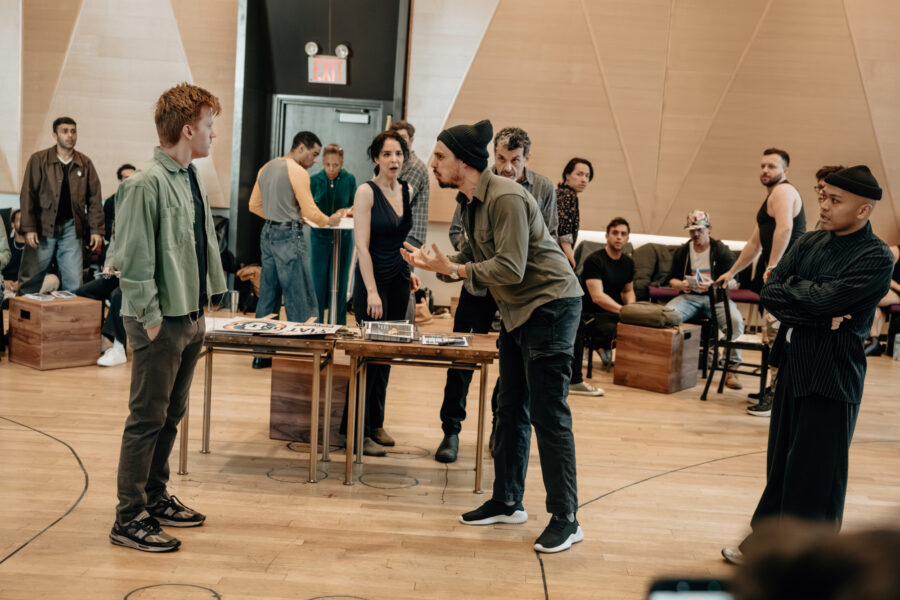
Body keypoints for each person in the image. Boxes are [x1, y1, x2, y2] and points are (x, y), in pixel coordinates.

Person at [402, 119, 585, 554]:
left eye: (440, 157)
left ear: (464, 162)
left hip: (552, 306)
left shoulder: (505, 196)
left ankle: (567, 518)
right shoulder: (470, 202)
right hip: (519, 312)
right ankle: (507, 501)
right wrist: (437, 263)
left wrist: (454, 268)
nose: (432, 164)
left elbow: (511, 267)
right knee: (509, 408)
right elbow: (474, 255)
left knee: (548, 414)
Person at [721, 165, 894, 567]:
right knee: (781, 466)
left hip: (833, 374)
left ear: (863, 210)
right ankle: (767, 547)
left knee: (817, 475)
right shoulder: (810, 241)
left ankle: (809, 562)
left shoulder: (875, 256)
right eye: (823, 197)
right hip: (794, 365)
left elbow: (821, 299)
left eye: (835, 200)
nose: (824, 206)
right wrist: (815, 308)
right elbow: (771, 290)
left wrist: (803, 297)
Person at [110, 83, 227, 553]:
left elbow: (199, 246)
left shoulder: (190, 178)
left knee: (171, 416)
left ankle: (154, 497)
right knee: (146, 418)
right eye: (209, 125)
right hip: (159, 321)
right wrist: (152, 320)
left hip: (190, 316)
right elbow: (133, 260)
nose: (213, 133)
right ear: (188, 130)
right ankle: (128, 516)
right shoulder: (143, 184)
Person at [434, 126, 561, 463]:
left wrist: (501, 253)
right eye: (501, 159)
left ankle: (499, 427)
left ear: (527, 158)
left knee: (512, 364)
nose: (507, 167)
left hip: (517, 291)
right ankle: (451, 430)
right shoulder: (477, 184)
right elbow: (459, 231)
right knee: (461, 359)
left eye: (515, 160)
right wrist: (474, 256)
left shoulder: (543, 188)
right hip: (478, 284)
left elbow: (546, 236)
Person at [339, 130, 420, 457]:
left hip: (399, 279)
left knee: (386, 356)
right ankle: (354, 431)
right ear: (376, 158)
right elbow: (362, 245)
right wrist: (371, 291)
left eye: (398, 153)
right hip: (372, 282)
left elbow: (401, 239)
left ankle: (375, 424)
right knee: (367, 358)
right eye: (387, 154)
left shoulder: (407, 189)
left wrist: (411, 269)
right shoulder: (365, 192)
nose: (394, 160)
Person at [716, 148, 806, 414]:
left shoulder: (783, 191)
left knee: (778, 337)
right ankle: (774, 389)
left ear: (785, 171)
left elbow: (786, 228)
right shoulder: (771, 196)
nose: (765, 170)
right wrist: (732, 272)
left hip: (787, 277)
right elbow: (754, 244)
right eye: (763, 166)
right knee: (772, 336)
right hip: (779, 277)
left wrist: (773, 269)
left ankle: (777, 398)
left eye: (772, 166)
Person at [248, 131, 341, 368]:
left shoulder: (266, 168)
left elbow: (254, 205)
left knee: (268, 295)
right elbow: (311, 212)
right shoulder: (298, 172)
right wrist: (329, 220)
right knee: (300, 295)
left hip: (267, 233)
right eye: (314, 154)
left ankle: (261, 355)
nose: (315, 160)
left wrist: (281, 216)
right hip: (289, 236)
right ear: (301, 148)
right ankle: (306, 355)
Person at [18, 116, 103, 293]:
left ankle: (70, 311)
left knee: (74, 280)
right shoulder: (39, 159)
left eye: (73, 131)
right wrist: (29, 228)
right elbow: (28, 194)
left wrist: (96, 230)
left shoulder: (85, 163)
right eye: (65, 131)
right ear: (55, 135)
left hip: (72, 227)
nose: (70, 135)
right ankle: (22, 307)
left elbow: (94, 198)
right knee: (31, 276)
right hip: (43, 226)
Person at [667, 210, 744, 389]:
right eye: (692, 230)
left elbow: (735, 283)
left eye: (699, 230)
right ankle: (669, 363)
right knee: (667, 316)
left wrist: (714, 284)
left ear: (709, 229)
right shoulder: (682, 252)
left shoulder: (721, 251)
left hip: (716, 299)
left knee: (735, 322)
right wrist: (681, 285)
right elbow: (672, 280)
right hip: (689, 297)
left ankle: (731, 368)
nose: (695, 234)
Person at [75, 164, 136, 367]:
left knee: (117, 296)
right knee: (84, 292)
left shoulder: (147, 212)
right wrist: (109, 266)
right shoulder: (119, 208)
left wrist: (127, 271)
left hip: (137, 276)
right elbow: (114, 245)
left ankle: (119, 347)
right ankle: (98, 337)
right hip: (119, 273)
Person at [569, 217, 634, 395]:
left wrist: (633, 311)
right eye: (615, 233)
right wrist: (624, 311)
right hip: (592, 313)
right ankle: (599, 346)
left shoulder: (628, 262)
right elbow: (597, 297)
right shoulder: (595, 260)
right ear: (607, 235)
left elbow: (628, 291)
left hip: (616, 312)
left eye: (623, 234)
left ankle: (631, 367)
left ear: (628, 238)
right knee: (614, 329)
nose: (619, 237)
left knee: (637, 328)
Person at [309, 144, 356, 325]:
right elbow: (309, 206)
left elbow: (354, 205)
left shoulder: (349, 180)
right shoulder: (314, 180)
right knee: (318, 282)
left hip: (343, 237)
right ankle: (317, 324)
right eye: (327, 164)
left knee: (340, 282)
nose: (331, 169)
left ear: (341, 163)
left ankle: (338, 324)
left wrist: (342, 212)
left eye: (335, 165)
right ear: (322, 162)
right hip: (319, 237)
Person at [2, 209, 60, 300]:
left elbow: (47, 270)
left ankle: (16, 298)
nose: (23, 223)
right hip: (7, 287)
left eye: (26, 221)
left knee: (53, 279)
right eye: (19, 220)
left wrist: (22, 284)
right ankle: (15, 298)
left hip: (31, 286)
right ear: (12, 224)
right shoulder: (6, 245)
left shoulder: (37, 245)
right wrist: (4, 282)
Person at [556, 158, 594, 269]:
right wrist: (571, 259)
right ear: (567, 175)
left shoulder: (561, 193)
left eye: (587, 176)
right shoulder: (568, 195)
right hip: (557, 255)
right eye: (579, 174)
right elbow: (564, 233)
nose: (584, 180)